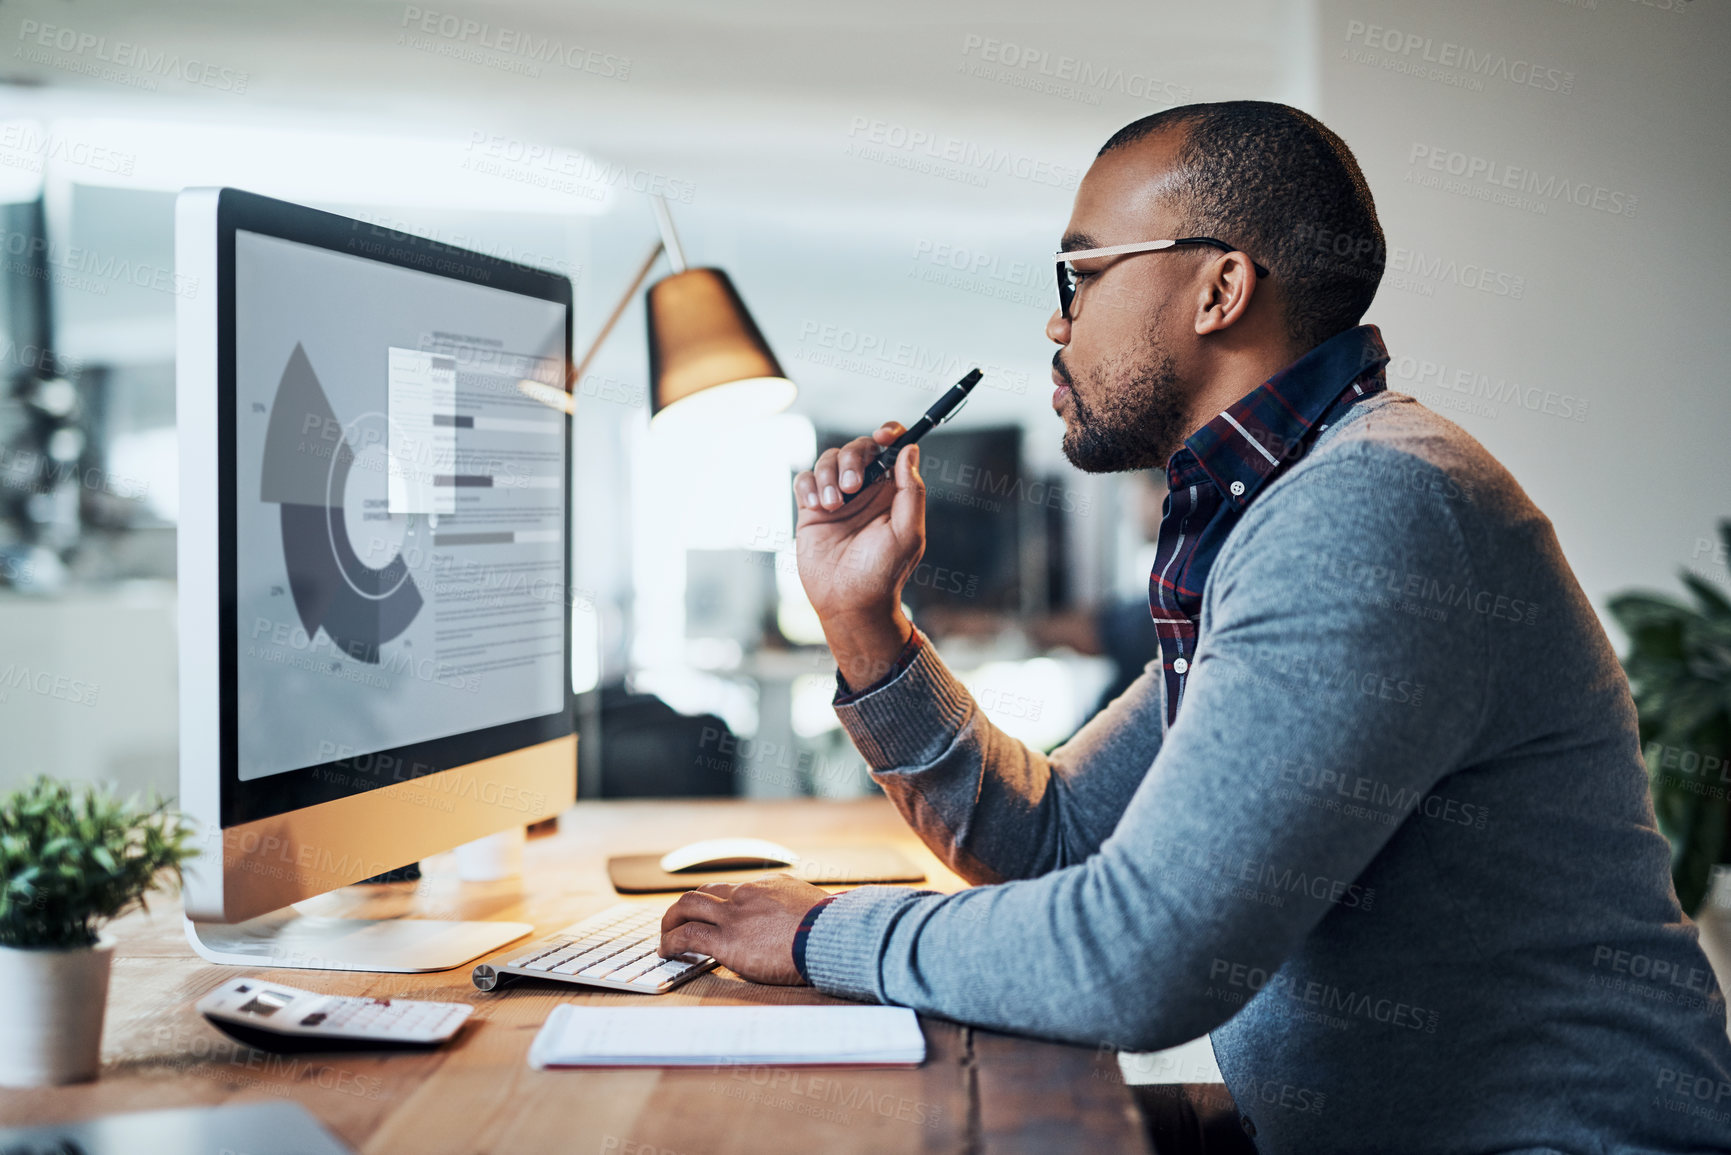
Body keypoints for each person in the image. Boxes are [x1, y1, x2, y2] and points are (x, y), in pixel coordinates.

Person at [659, 101, 1731, 1153]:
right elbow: (1059, 841)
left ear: (1220, 287)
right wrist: (864, 621)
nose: (1056, 321)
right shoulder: (1281, 510)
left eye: (1080, 275)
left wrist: (815, 934)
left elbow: (1140, 961)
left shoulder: (1369, 509)